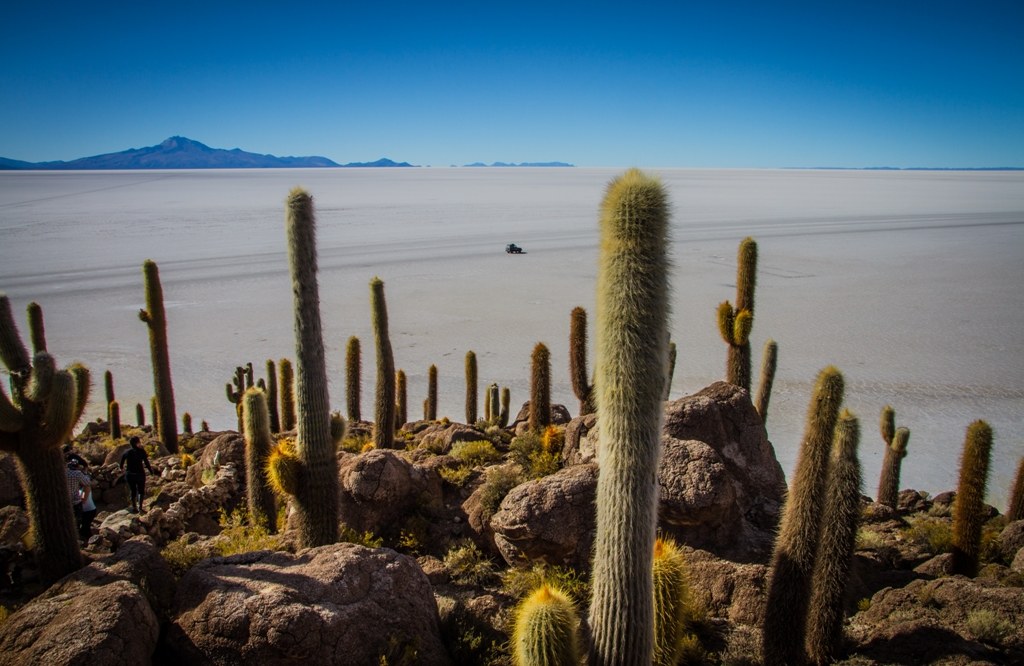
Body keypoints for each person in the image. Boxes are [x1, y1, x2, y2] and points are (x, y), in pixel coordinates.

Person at [119, 436, 154, 513]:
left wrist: (123, 471)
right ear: (137, 443)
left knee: (133, 490)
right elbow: (146, 463)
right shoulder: (141, 451)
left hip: (130, 475)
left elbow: (121, 465)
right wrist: (151, 471)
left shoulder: (126, 452)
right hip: (140, 474)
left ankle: (134, 507)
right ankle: (140, 507)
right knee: (141, 491)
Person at [65, 460, 90, 527]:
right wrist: (85, 473)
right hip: (75, 500)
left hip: (65, 500)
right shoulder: (78, 473)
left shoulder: (64, 473)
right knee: (77, 519)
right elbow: (87, 482)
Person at [78, 467, 97, 543]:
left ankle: (92, 542)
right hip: (84, 511)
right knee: (83, 528)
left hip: (89, 511)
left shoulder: (86, 487)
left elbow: (84, 499)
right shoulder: (79, 487)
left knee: (85, 528)